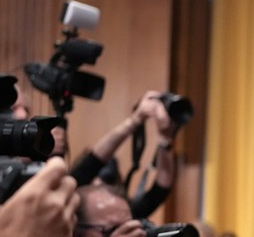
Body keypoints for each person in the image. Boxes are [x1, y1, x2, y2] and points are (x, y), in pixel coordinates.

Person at [69, 90, 177, 219]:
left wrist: (165, 139)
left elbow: (161, 187)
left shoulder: (123, 214)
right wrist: (135, 120)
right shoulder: (71, 209)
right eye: (94, 180)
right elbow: (95, 159)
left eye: (108, 181)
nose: (100, 185)